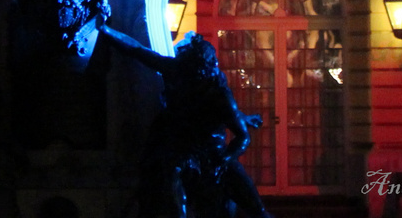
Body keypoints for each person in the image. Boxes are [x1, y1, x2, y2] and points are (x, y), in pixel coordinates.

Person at [98, 24, 275, 218]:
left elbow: (242, 137)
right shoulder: (176, 70)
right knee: (170, 181)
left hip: (213, 151)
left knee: (253, 204)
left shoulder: (219, 93)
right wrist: (106, 31)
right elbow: (137, 50)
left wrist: (224, 159)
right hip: (182, 148)